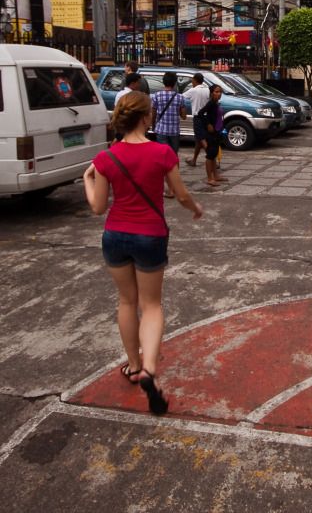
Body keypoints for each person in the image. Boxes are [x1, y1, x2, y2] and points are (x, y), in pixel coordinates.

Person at [82, 91, 203, 416]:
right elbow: (180, 194)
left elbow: (97, 207)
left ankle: (134, 367)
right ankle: (150, 368)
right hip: (150, 235)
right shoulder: (162, 153)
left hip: (115, 235)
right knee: (151, 305)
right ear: (146, 117)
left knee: (126, 302)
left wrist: (86, 179)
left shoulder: (107, 158)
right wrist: (195, 208)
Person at [152, 72, 186, 198]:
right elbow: (183, 116)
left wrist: (153, 126)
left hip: (161, 130)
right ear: (175, 82)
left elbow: (153, 113)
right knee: (174, 157)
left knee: (164, 159)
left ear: (163, 82)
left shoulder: (157, 95)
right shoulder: (179, 97)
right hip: (174, 131)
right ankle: (174, 186)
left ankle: (169, 188)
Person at [200, 83, 228, 187]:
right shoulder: (210, 104)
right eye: (216, 92)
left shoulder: (216, 103)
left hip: (217, 132)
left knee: (214, 154)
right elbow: (200, 113)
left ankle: (216, 176)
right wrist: (208, 124)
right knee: (210, 155)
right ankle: (209, 178)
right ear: (211, 93)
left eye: (220, 92)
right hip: (211, 134)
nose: (219, 94)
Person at [183, 73, 210, 168]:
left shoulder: (193, 91)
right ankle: (194, 160)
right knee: (199, 140)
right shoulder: (208, 90)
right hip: (207, 117)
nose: (192, 82)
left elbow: (181, 97)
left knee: (202, 139)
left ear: (195, 80)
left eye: (192, 80)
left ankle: (212, 158)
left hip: (198, 117)